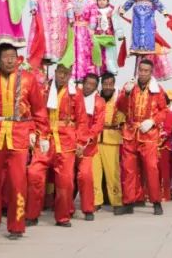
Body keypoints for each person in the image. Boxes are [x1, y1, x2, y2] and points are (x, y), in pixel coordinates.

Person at [0, 43, 49, 240]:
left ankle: (17, 225)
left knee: (17, 183)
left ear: (18, 59)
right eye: (5, 56)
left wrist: (43, 134)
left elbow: (39, 109)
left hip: (18, 137)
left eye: (13, 56)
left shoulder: (28, 79)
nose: (9, 60)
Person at [26, 64, 79, 227]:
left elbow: (82, 120)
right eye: (60, 72)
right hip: (44, 138)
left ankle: (62, 217)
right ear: (55, 72)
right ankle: (31, 214)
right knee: (34, 174)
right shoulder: (43, 90)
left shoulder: (75, 93)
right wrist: (31, 131)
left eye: (66, 73)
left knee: (65, 180)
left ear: (70, 75)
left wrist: (81, 141)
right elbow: (31, 112)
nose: (63, 76)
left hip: (65, 141)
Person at [116, 59, 167, 215]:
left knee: (151, 168)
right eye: (141, 70)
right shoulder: (129, 86)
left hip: (148, 134)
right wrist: (126, 93)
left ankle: (156, 201)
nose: (143, 73)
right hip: (130, 133)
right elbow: (120, 106)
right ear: (138, 70)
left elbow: (164, 111)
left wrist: (153, 121)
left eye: (146, 71)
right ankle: (128, 202)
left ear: (151, 73)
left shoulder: (157, 90)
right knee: (128, 169)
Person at [75, 72, 107, 221]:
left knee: (85, 176)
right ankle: (65, 207)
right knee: (67, 177)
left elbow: (98, 125)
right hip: (70, 143)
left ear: (96, 87)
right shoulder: (75, 95)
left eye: (92, 85)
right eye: (87, 83)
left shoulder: (99, 102)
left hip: (87, 146)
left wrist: (86, 140)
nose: (89, 86)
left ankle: (88, 209)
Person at [93, 73, 124, 211]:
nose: (107, 87)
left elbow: (124, 116)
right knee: (95, 172)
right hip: (95, 140)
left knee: (113, 173)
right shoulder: (95, 98)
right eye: (105, 84)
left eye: (110, 84)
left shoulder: (119, 99)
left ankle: (116, 201)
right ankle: (96, 201)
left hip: (111, 139)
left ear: (114, 85)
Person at [76, 0, 120, 81]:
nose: (101, 2)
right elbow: (90, 20)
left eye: (104, 0)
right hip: (97, 36)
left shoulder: (111, 11)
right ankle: (98, 70)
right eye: (99, 0)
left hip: (109, 35)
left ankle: (111, 69)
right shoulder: (95, 10)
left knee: (109, 54)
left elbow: (116, 23)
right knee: (97, 54)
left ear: (108, 1)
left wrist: (120, 33)